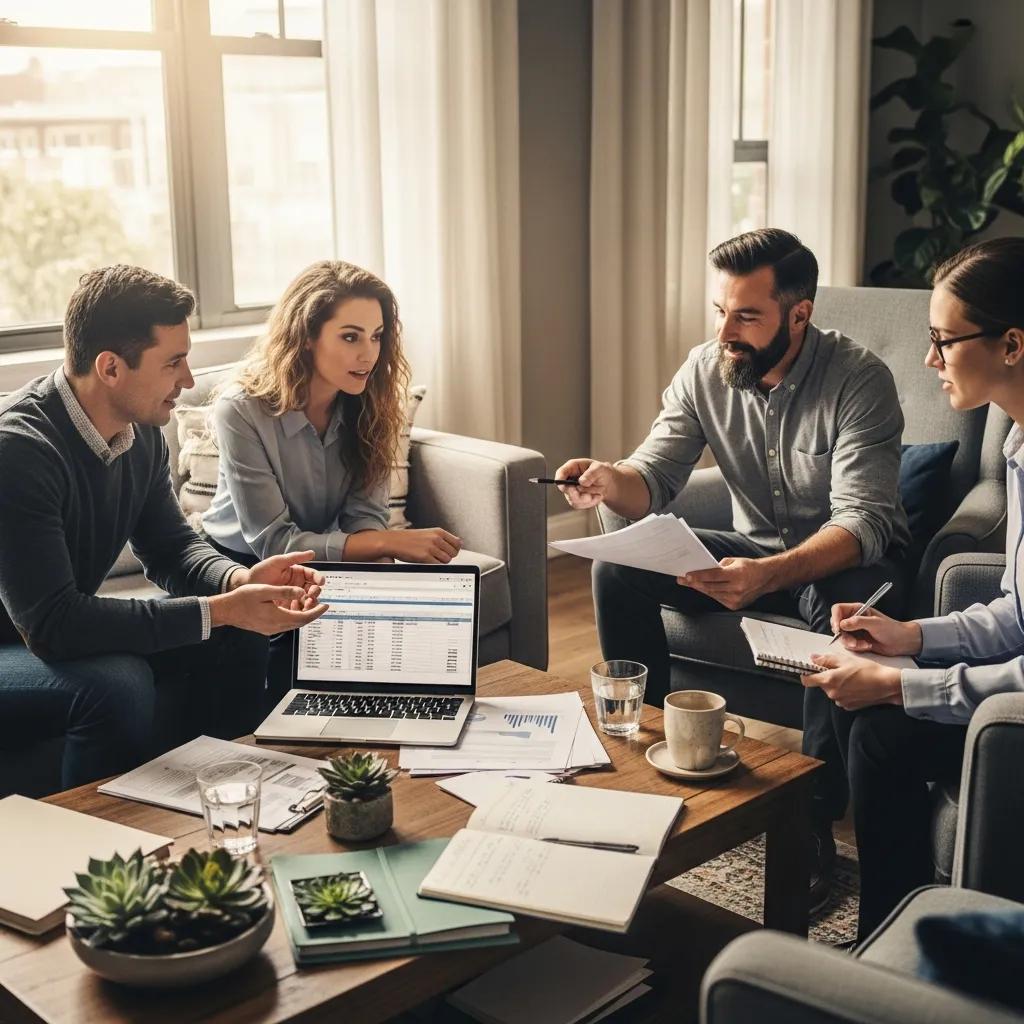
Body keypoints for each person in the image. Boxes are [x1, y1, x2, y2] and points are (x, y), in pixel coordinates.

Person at [555, 228, 910, 911]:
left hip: (844, 560)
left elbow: (863, 521)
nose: (727, 331)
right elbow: (651, 478)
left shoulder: (860, 379)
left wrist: (767, 575)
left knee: (845, 619)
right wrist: (607, 480)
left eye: (747, 315)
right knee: (617, 571)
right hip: (751, 546)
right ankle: (646, 765)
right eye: (721, 311)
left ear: (799, 314)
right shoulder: (703, 369)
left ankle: (808, 817)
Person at [0, 266, 328, 791]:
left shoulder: (139, 432)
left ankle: (229, 800)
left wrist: (238, 584)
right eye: (173, 362)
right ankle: (101, 850)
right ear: (110, 368)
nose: (189, 380)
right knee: (116, 687)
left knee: (239, 635)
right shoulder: (19, 451)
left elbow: (171, 548)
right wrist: (218, 610)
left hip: (42, 631)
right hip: (14, 641)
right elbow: (54, 626)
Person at [800, 236, 1024, 940]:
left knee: (880, 732)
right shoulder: (1020, 445)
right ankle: (892, 930)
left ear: (1012, 345)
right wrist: (909, 637)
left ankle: (892, 941)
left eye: (944, 340)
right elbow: (1018, 615)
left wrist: (902, 685)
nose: (930, 359)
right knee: (856, 706)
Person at [202, 259, 462, 567]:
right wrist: (389, 541)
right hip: (238, 562)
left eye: (376, 336)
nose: (368, 355)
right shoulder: (240, 409)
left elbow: (365, 516)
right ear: (307, 336)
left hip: (319, 557)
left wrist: (382, 562)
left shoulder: (374, 402)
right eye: (351, 337)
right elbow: (274, 542)